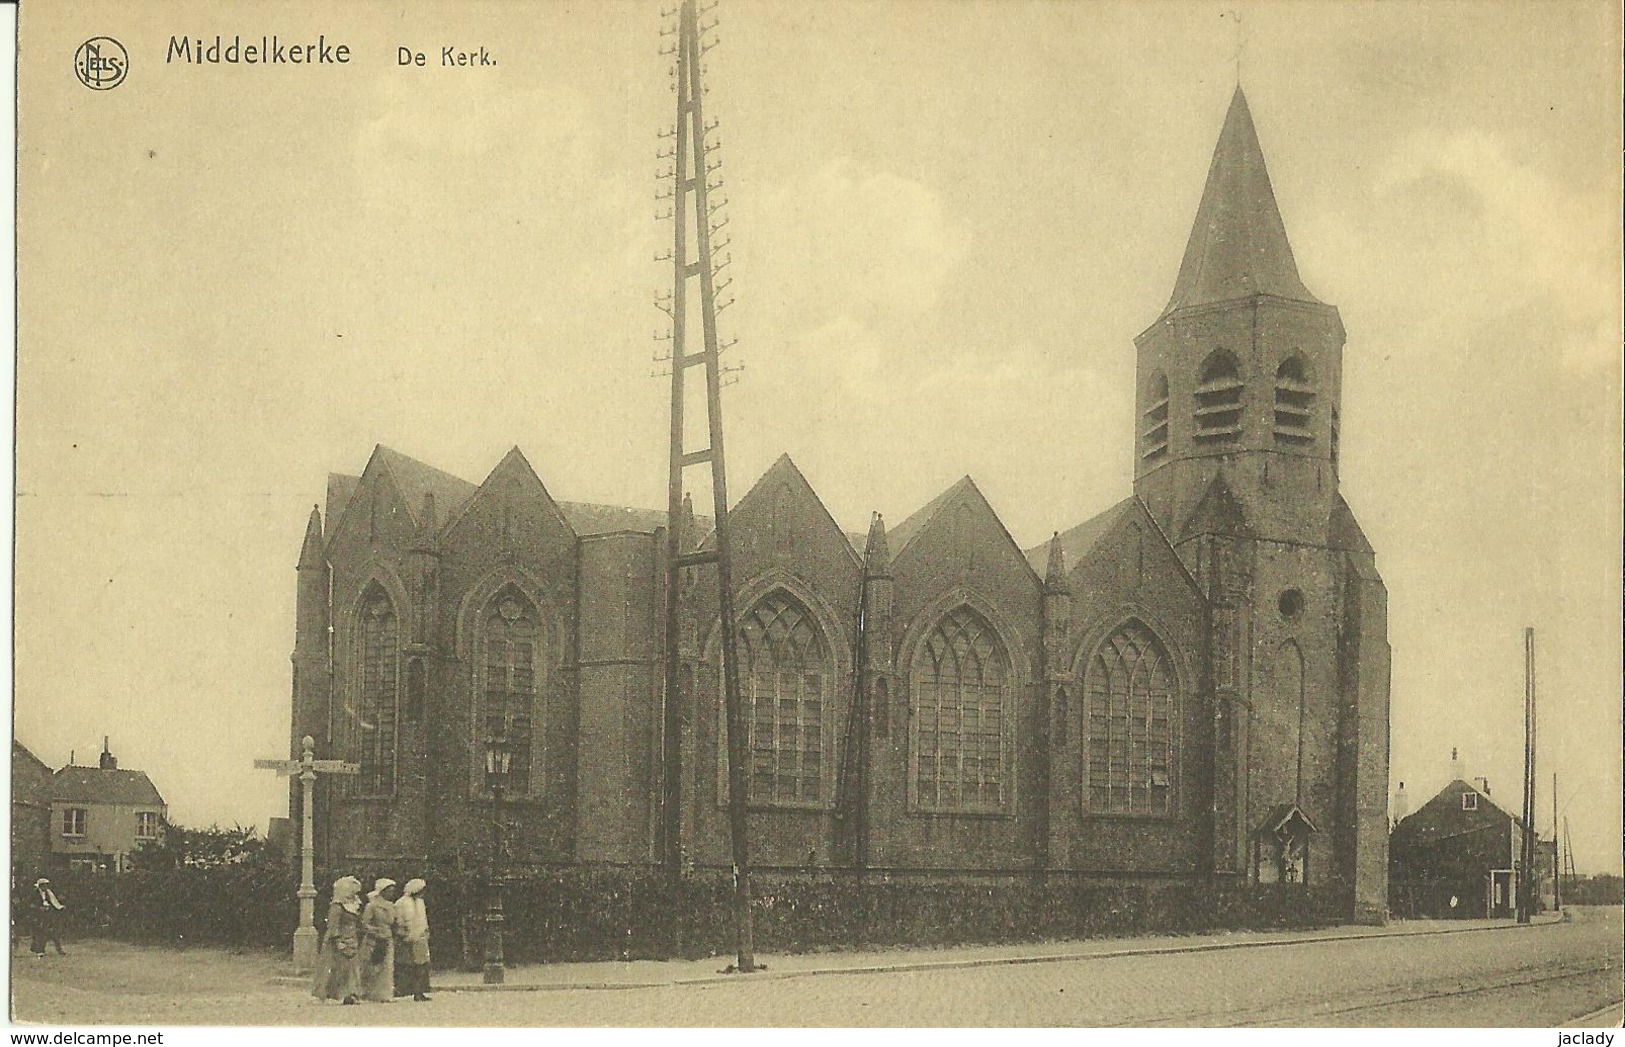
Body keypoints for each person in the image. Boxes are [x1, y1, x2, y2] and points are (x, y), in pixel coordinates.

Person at [312, 876, 362, 1004]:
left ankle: (350, 994)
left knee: (351, 967)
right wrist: (337, 940)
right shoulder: (337, 906)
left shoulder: (354, 904)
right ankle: (333, 994)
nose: (355, 894)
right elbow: (333, 925)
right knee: (336, 967)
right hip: (338, 939)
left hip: (352, 937)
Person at [358, 878, 399, 1002]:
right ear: (382, 891)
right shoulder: (372, 906)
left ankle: (384, 994)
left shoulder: (392, 906)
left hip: (387, 938)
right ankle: (366, 991)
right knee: (372, 966)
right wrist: (374, 930)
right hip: (374, 940)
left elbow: (392, 922)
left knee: (387, 967)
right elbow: (364, 923)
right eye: (389, 891)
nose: (391, 894)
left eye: (393, 891)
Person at [392, 878, 432, 1001]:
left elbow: (423, 918)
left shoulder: (420, 902)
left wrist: (425, 931)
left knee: (422, 965)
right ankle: (405, 990)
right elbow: (398, 920)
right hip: (406, 937)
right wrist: (404, 933)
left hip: (420, 937)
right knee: (407, 965)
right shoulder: (401, 902)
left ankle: (419, 991)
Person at [30, 878, 66, 958]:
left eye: (47, 885)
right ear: (40, 886)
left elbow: (54, 901)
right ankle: (39, 950)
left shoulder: (48, 892)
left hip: (47, 915)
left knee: (52, 932)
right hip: (37, 915)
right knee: (40, 933)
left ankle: (59, 950)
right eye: (44, 885)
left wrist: (60, 907)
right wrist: (39, 908)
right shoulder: (34, 893)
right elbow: (30, 904)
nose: (46, 887)